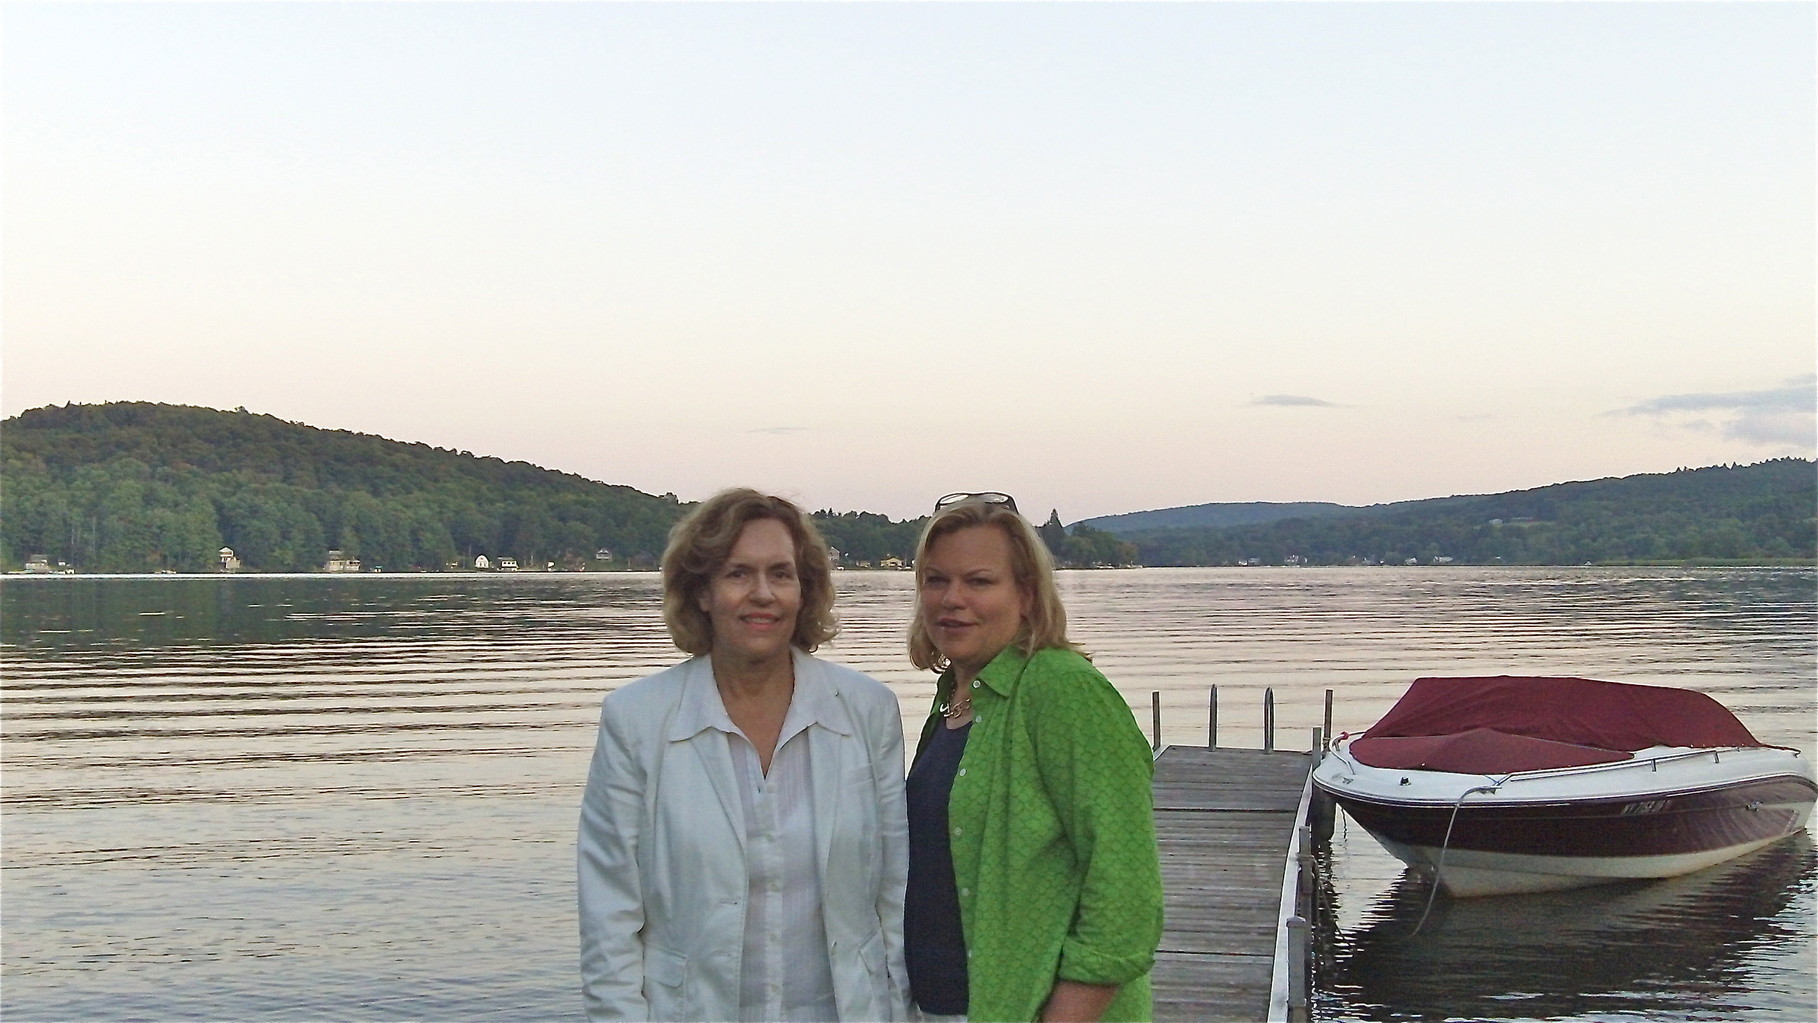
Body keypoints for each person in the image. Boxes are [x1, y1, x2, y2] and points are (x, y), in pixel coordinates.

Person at [578, 488, 910, 1022]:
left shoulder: (868, 711)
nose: (763, 594)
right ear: (702, 592)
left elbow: (895, 894)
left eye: (781, 574)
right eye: (737, 574)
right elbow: (608, 918)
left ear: (804, 591)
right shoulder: (636, 720)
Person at [902, 493, 1162, 1023]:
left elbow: (1125, 890)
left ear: (1025, 594)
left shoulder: (1063, 691)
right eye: (936, 580)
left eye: (978, 581)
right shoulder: (953, 696)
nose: (952, 599)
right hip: (946, 1006)